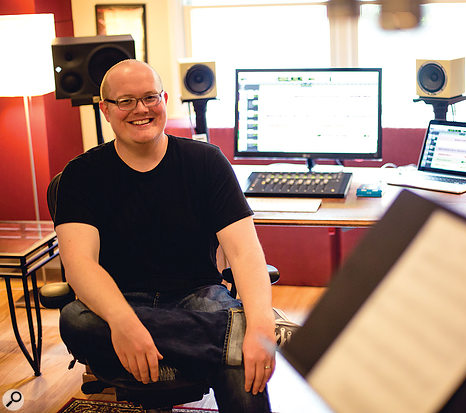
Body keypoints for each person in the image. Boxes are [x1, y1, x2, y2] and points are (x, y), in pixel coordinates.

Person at [54, 59, 295, 412]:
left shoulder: (207, 162)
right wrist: (125, 323)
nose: (141, 109)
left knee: (244, 356)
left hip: (199, 298)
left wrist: (258, 328)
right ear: (105, 110)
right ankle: (228, 336)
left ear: (165, 99)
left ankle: (227, 339)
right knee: (75, 319)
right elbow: (79, 266)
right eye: (125, 101)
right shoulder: (81, 174)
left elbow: (245, 253)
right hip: (119, 300)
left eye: (150, 97)